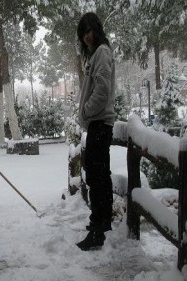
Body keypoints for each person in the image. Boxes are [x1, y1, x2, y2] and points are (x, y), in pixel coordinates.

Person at [76, 12, 116, 251]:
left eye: (89, 31)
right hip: (98, 123)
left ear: (97, 30)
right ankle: (101, 224)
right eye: (83, 33)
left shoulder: (101, 52)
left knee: (96, 177)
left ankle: (97, 230)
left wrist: (87, 112)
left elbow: (101, 90)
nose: (86, 36)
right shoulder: (96, 53)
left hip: (100, 123)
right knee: (99, 176)